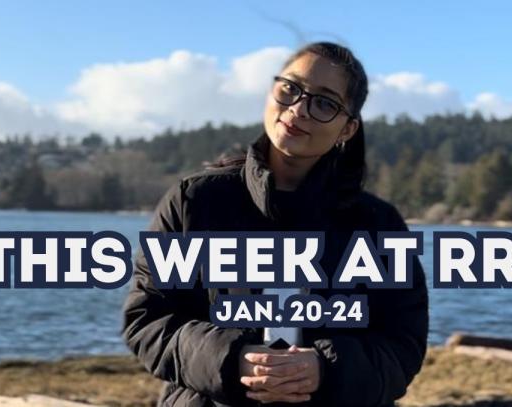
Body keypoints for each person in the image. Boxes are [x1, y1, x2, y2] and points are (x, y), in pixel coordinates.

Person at [122, 42, 429, 407]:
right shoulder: (194, 203)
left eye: (325, 103)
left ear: (347, 129)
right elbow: (148, 321)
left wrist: (325, 369)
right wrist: (232, 359)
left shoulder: (378, 226)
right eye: (290, 89)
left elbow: (401, 346)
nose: (298, 109)